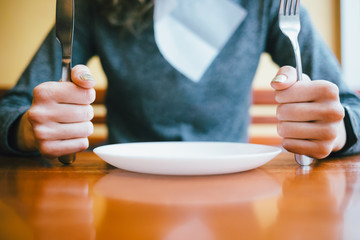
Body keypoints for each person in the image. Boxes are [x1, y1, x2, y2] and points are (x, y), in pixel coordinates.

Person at [0, 0, 359, 160]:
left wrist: (339, 129)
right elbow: (11, 109)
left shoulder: (269, 3)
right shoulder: (96, 4)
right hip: (125, 186)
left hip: (232, 186)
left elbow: (350, 107)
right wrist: (29, 130)